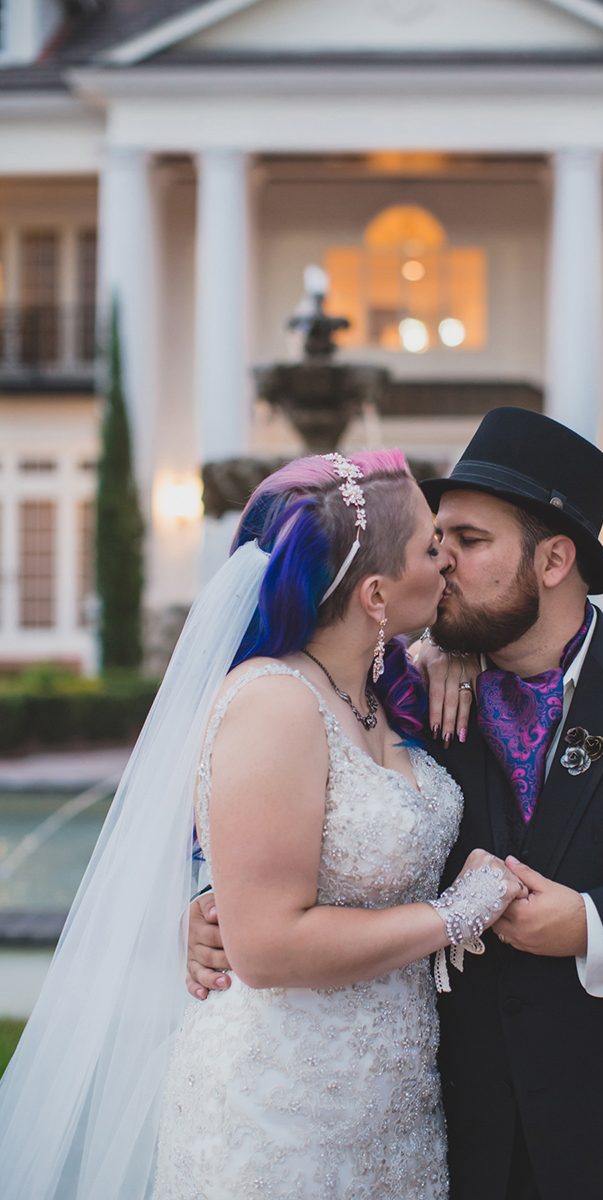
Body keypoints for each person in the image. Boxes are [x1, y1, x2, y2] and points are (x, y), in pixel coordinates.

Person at [189, 409, 603, 1200]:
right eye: (435, 542)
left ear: (553, 560)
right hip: (469, 1144)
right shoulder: (402, 705)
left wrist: (594, 924)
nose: (441, 564)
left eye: (469, 543)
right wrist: (213, 907)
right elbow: (319, 839)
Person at [0, 448, 523, 1200]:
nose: (446, 562)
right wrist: (455, 912)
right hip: (280, 1112)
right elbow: (269, 947)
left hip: (392, 1104)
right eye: (428, 547)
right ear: (376, 593)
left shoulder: (379, 690)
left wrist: (448, 649)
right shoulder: (273, 703)